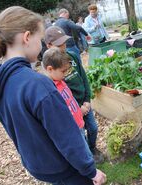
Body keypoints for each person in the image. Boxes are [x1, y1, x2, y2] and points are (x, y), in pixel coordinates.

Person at [0, 6, 106, 185]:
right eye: (40, 38)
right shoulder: (37, 85)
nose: (41, 45)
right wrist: (90, 170)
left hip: (39, 166)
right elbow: (66, 136)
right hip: (65, 169)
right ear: (27, 37)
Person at [44, 26, 103, 163]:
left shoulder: (73, 56)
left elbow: (84, 78)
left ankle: (92, 148)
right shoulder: (51, 71)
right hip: (73, 110)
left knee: (93, 128)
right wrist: (78, 108)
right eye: (59, 45)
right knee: (80, 135)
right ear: (49, 45)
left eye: (64, 42)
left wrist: (87, 100)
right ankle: (87, 156)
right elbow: (62, 95)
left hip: (85, 104)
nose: (63, 47)